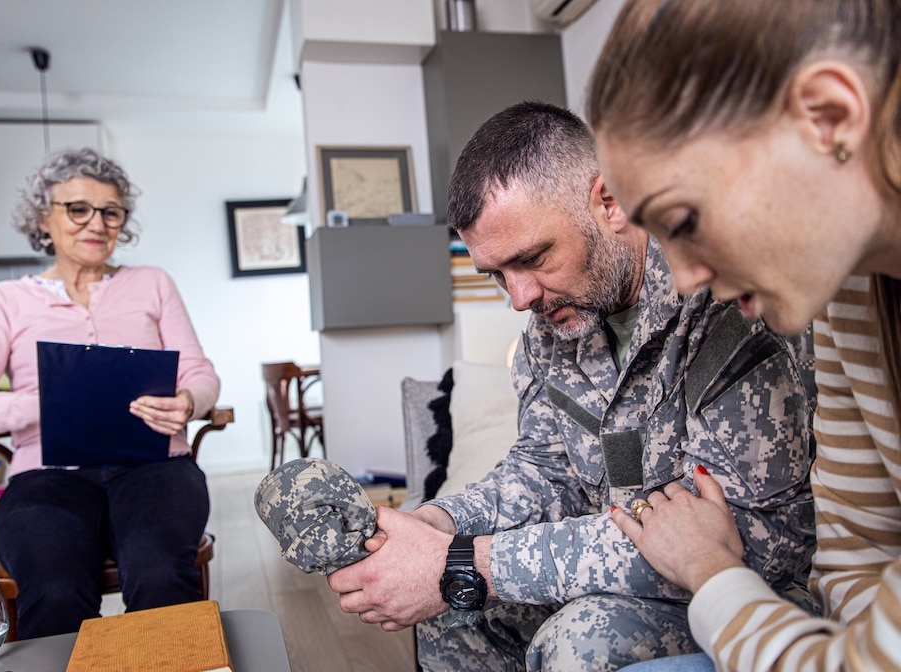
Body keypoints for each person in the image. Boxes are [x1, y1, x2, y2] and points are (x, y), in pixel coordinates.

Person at [325, 102, 816, 671]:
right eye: (496, 275)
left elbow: (762, 544)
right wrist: (445, 523)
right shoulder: (550, 331)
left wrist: (465, 563)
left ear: (608, 203)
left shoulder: (724, 306)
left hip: (743, 590)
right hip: (612, 571)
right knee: (455, 613)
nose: (519, 298)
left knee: (578, 640)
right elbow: (545, 469)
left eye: (532, 258)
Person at [585, 2, 901, 671]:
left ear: (829, 118)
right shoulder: (847, 280)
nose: (685, 279)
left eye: (685, 218)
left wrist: (707, 567)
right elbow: (854, 548)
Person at [0, 147, 220, 640]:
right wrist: (41, 407)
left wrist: (190, 400)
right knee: (56, 587)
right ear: (45, 218)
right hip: (47, 476)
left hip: (156, 467)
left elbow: (199, 371)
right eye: (78, 208)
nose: (97, 223)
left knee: (159, 575)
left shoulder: (153, 284)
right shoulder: (3, 301)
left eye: (111, 212)